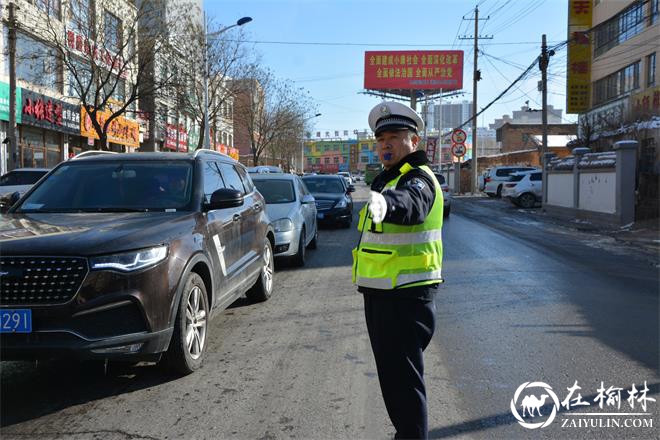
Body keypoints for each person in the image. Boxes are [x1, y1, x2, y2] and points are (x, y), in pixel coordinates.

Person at [352, 101, 444, 439]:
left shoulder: (419, 179)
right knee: (394, 382)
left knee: (404, 386)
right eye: (381, 139)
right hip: (383, 295)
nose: (386, 144)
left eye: (394, 136)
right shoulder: (389, 179)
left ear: (414, 141)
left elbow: (411, 206)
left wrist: (385, 203)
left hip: (405, 298)